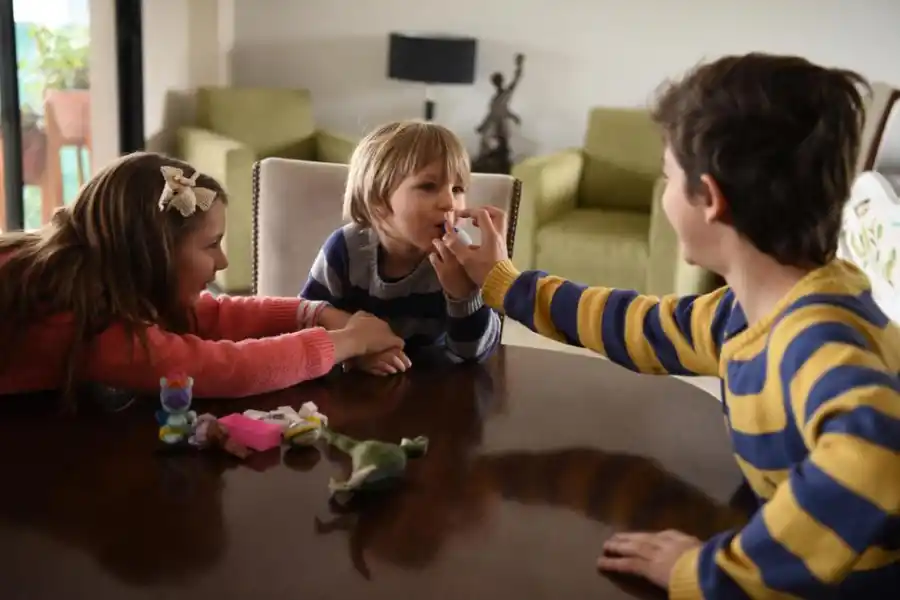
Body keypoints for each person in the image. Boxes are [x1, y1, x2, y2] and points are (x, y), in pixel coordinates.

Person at [442, 53, 900, 598]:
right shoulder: (748, 310)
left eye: (667, 178)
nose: (663, 195)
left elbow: (876, 449)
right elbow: (637, 325)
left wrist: (710, 573)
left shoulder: (816, 341)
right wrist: (504, 282)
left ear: (710, 198)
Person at [0, 152, 403, 407]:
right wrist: (349, 341)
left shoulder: (96, 270)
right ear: (153, 255)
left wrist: (312, 313)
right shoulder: (91, 320)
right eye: (211, 245)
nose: (223, 261)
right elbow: (219, 369)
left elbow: (211, 313)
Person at [301, 120, 501, 375]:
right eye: (428, 186)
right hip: (356, 395)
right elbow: (307, 322)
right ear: (378, 200)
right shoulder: (345, 252)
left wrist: (464, 296)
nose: (449, 202)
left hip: (434, 391)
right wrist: (354, 355)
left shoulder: (460, 256)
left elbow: (474, 354)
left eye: (458, 188)